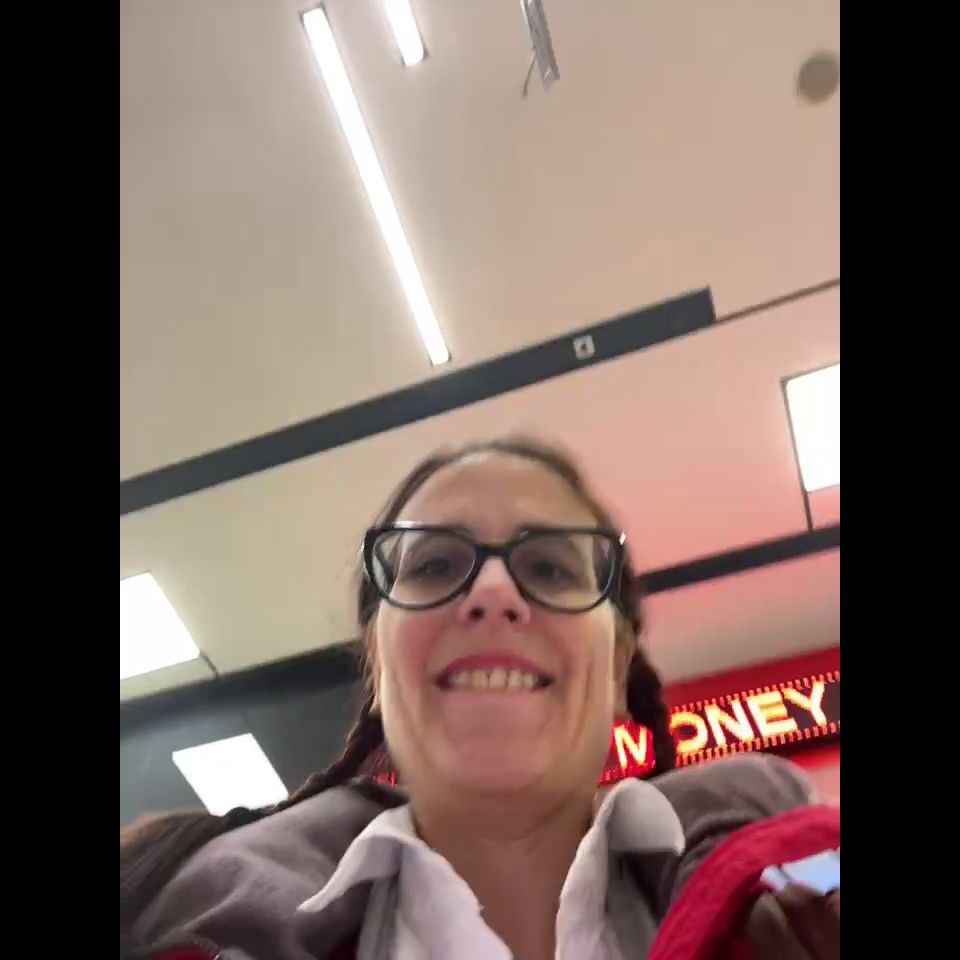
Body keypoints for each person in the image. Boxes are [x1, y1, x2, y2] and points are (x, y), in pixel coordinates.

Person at [121, 437, 839, 960]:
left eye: (549, 568)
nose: (493, 594)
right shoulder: (157, 916)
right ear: (379, 663)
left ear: (619, 667)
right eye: (436, 566)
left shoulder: (812, 887)